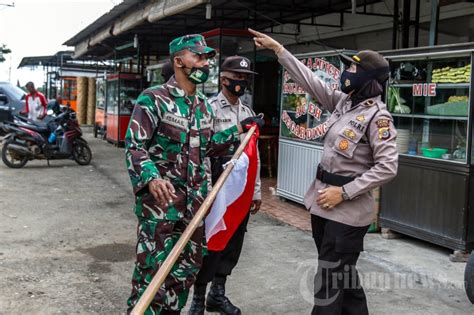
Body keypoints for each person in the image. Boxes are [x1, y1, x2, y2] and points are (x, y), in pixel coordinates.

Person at [249, 29, 398, 314]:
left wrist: (344, 192)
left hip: (347, 212)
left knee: (328, 284)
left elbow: (388, 167)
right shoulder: (344, 103)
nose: (346, 72)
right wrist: (280, 50)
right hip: (323, 206)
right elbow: (310, 80)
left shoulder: (378, 118)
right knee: (344, 276)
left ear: (366, 77)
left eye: (352, 67)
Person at [125, 34, 264, 315]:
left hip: (196, 210)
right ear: (179, 61)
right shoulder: (154, 99)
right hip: (162, 211)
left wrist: (239, 130)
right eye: (198, 57)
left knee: (183, 277)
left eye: (207, 58)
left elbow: (207, 147)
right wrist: (152, 178)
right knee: (152, 277)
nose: (204, 63)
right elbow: (135, 146)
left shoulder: (201, 105)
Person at [188, 56, 261, 315]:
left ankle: (217, 295)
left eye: (245, 77)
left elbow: (254, 156)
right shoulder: (209, 109)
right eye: (236, 76)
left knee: (232, 242)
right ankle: (198, 298)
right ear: (223, 78)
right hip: (215, 182)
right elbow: (202, 149)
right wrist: (205, 191)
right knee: (210, 242)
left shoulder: (248, 112)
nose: (241, 82)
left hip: (239, 186)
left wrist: (256, 191)